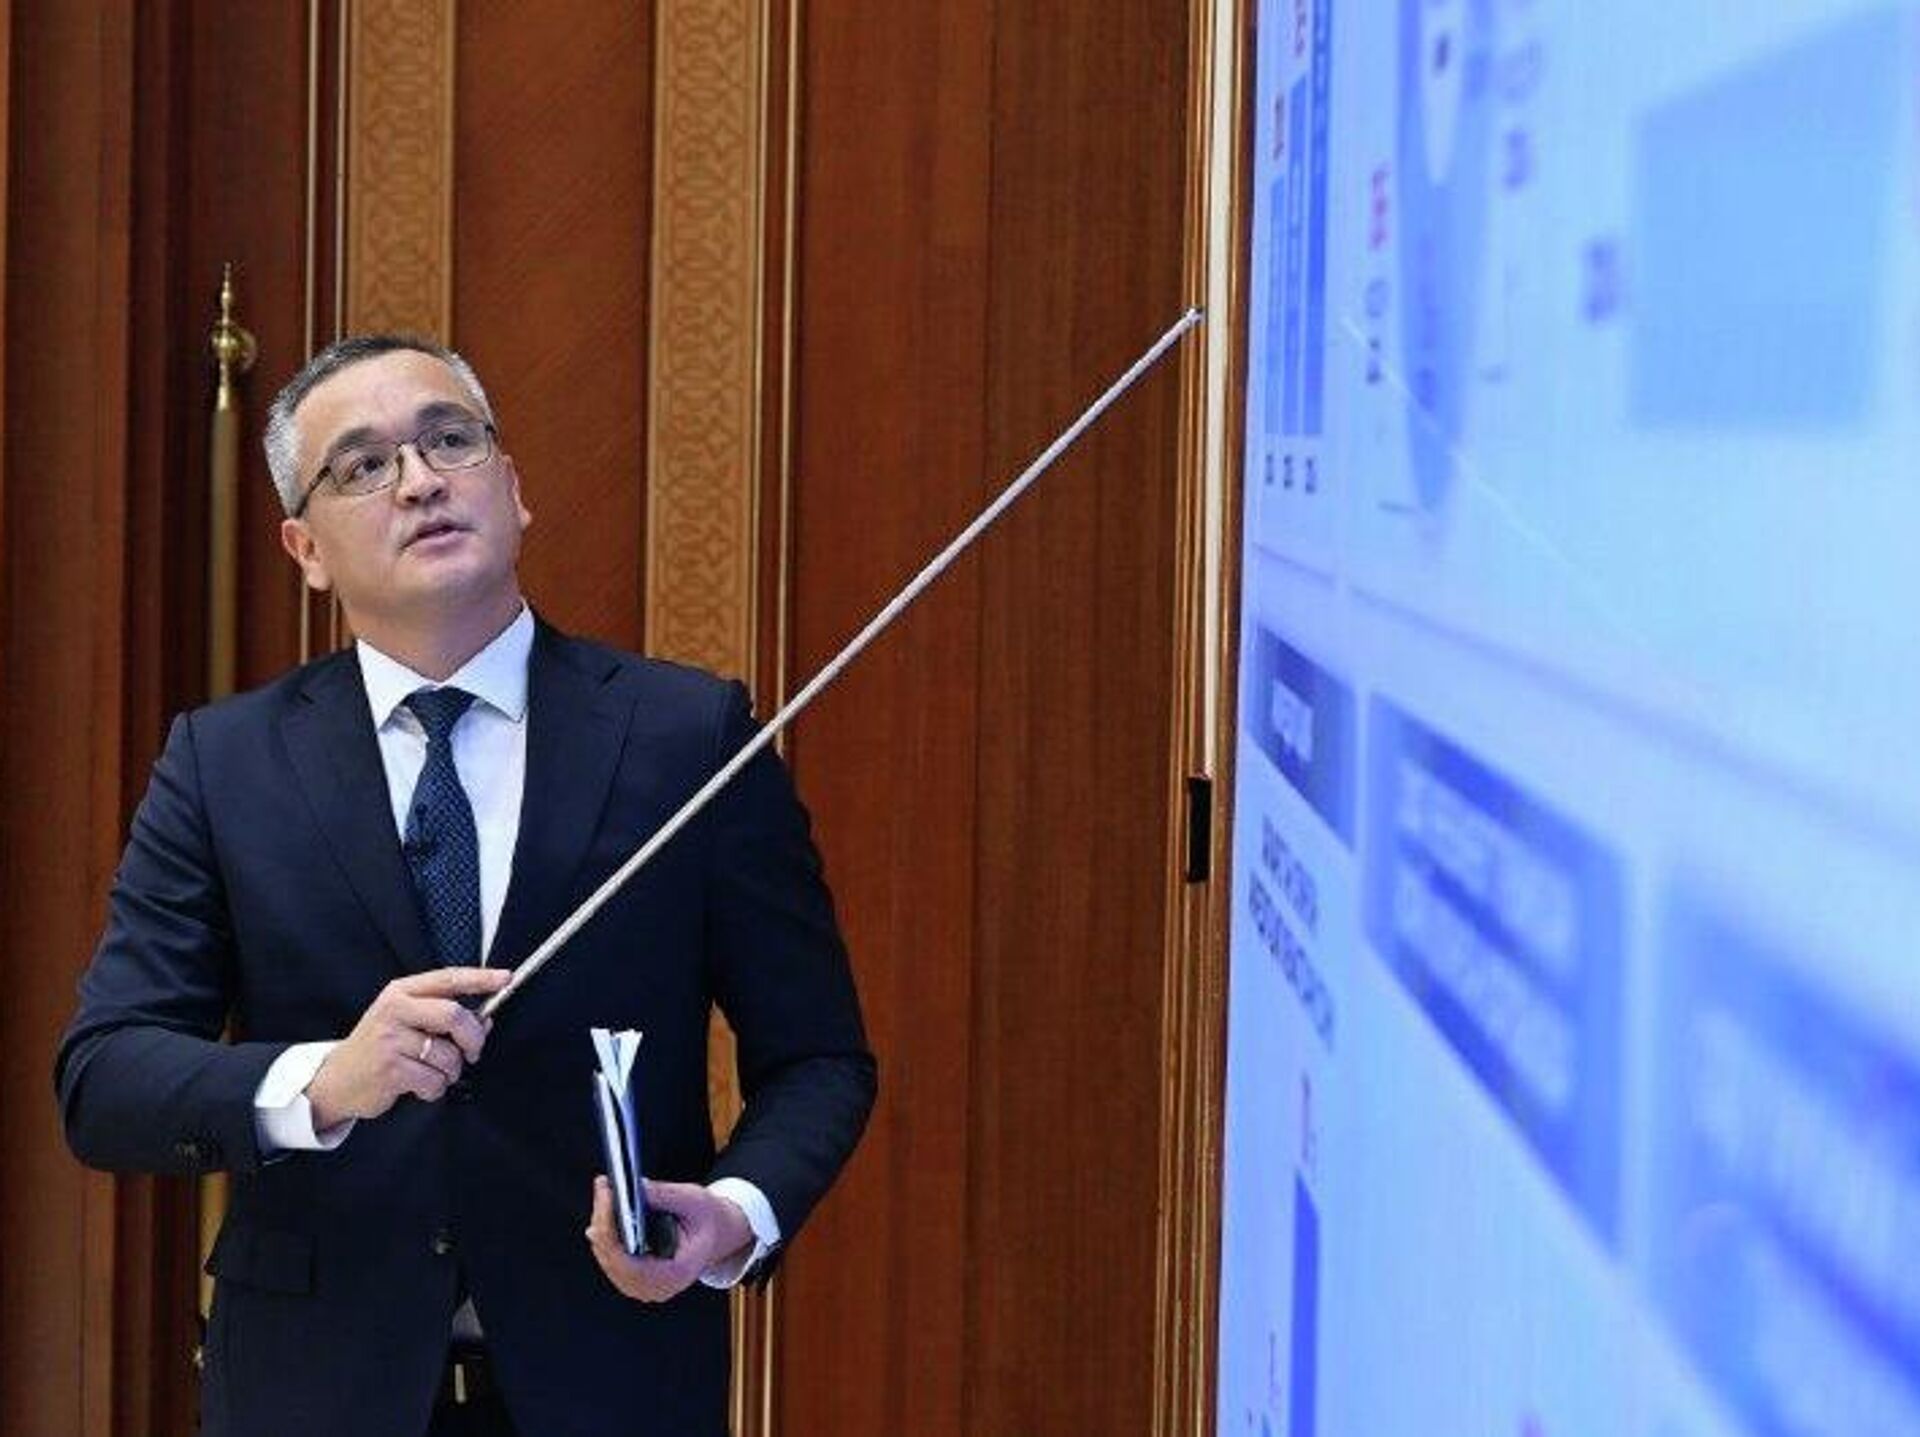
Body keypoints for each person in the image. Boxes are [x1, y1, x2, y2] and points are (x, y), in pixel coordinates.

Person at [54, 335, 876, 1436]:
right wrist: (325, 1082)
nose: (420, 481)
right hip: (313, 1391)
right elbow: (106, 1078)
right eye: (363, 465)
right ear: (305, 548)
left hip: (613, 1382)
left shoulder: (688, 736)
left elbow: (819, 1058)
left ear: (514, 490)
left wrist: (733, 1214)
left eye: (450, 440)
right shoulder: (224, 763)